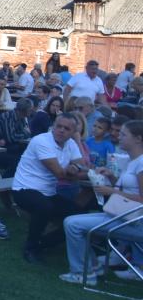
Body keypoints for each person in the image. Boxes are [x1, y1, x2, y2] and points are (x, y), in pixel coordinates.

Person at [59, 119, 143, 284]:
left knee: (72, 224)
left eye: (123, 134)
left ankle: (82, 272)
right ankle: (92, 266)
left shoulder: (141, 163)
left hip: (134, 222)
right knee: (72, 222)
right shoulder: (133, 160)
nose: (118, 137)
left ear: (138, 139)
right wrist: (112, 178)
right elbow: (130, 190)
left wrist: (112, 191)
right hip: (123, 216)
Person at [11, 113, 88, 263]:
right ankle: (30, 248)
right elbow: (60, 174)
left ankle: (43, 243)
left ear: (73, 132)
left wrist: (75, 167)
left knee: (79, 215)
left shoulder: (71, 144)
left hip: (49, 192)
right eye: (58, 126)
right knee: (44, 207)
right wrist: (78, 171)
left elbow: (82, 164)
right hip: (24, 189)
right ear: (53, 126)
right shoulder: (41, 141)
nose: (61, 130)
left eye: (67, 128)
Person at [0, 97, 34, 176]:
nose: (32, 111)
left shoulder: (22, 118)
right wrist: (24, 133)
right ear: (23, 110)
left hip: (8, 147)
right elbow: (12, 137)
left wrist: (23, 133)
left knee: (27, 154)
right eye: (30, 110)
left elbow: (26, 132)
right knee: (18, 160)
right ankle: (6, 180)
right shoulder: (7, 117)